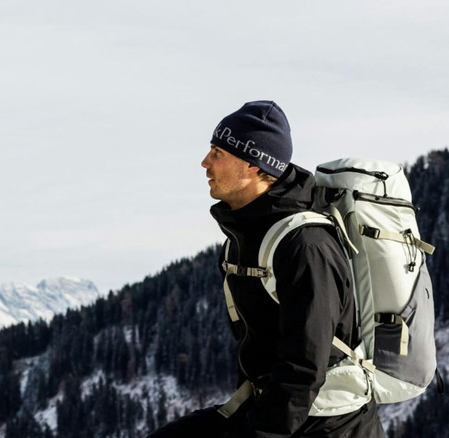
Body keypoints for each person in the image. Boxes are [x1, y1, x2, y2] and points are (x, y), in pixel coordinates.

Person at [146, 101, 384, 437]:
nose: (205, 163)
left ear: (254, 165)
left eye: (218, 153)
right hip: (272, 408)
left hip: (328, 423)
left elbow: (304, 366)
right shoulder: (243, 238)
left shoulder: (306, 244)